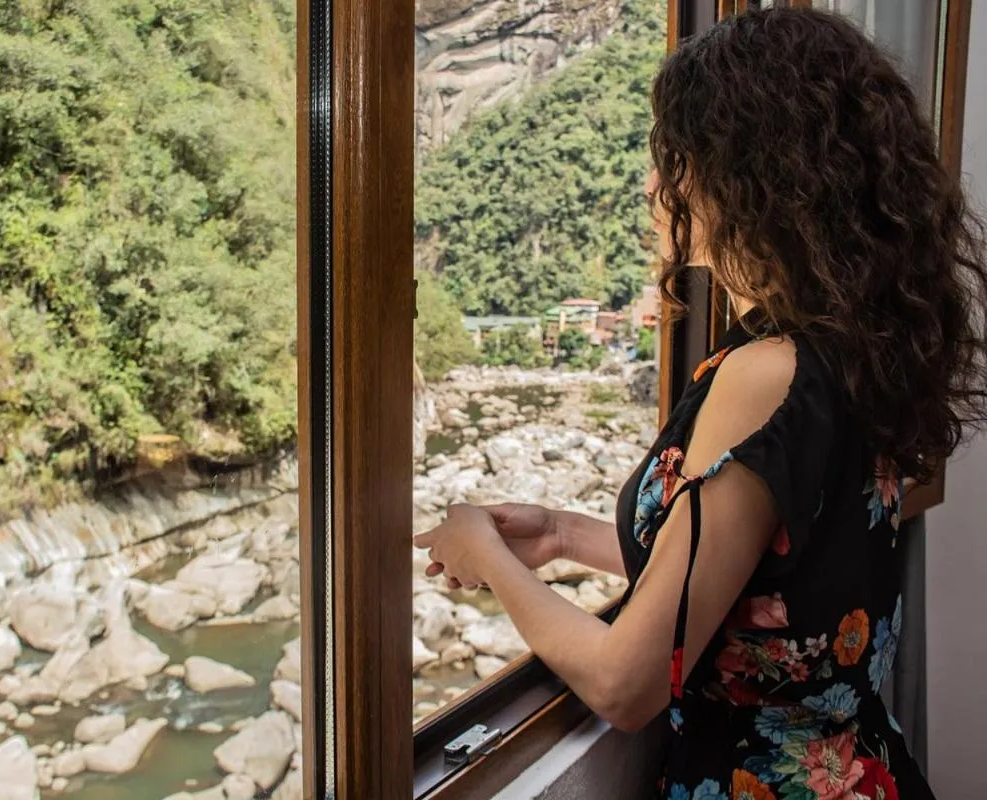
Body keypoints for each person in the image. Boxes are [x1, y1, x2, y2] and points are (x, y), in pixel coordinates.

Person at [415, 7, 987, 799]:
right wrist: (562, 534)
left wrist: (487, 559)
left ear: (751, 176)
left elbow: (626, 684)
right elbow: (763, 582)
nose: (655, 183)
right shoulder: (849, 347)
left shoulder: (764, 375)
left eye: (674, 157)